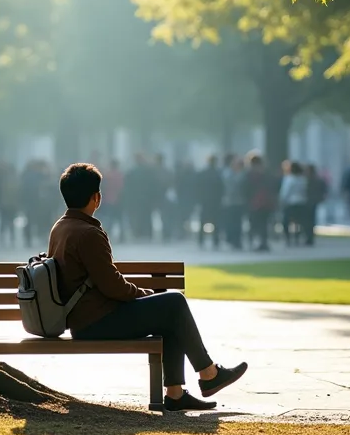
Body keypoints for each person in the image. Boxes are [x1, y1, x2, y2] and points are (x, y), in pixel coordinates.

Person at [49, 163, 248, 411]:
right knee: (173, 302)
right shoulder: (87, 233)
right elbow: (113, 286)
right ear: (96, 197)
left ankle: (176, 394)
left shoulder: (61, 227)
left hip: (84, 319)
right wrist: (145, 295)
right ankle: (208, 374)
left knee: (168, 312)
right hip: (96, 320)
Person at [244, 154, 275, 252]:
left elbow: (245, 189)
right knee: (264, 223)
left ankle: (253, 242)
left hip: (253, 203)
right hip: (266, 202)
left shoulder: (249, 175)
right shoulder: (267, 174)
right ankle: (263, 242)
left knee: (253, 223)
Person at [278, 161, 308, 247]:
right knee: (298, 222)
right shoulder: (303, 179)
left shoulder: (289, 179)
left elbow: (285, 192)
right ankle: (297, 237)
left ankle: (288, 238)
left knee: (286, 221)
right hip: (301, 202)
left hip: (291, 203)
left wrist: (282, 200)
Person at [197, 156, 224, 249]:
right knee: (216, 222)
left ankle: (201, 240)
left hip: (205, 201)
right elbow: (221, 189)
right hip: (215, 201)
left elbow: (198, 188)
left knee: (203, 221)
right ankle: (215, 240)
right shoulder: (218, 174)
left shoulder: (202, 173)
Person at [220, 156, 246, 250]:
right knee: (231, 222)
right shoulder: (228, 174)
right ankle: (232, 239)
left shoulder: (240, 174)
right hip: (230, 202)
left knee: (237, 222)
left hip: (238, 202)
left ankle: (237, 240)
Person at [302, 164, 327, 246]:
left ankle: (309, 236)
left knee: (308, 220)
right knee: (310, 219)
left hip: (309, 201)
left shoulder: (306, 180)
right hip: (312, 201)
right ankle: (309, 236)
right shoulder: (316, 180)